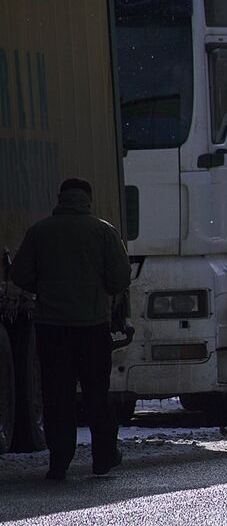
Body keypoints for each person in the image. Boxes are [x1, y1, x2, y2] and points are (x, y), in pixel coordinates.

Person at [11, 178, 132, 481]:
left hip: (52, 328)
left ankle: (59, 462)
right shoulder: (103, 231)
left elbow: (20, 274)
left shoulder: (40, 232)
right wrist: (101, 292)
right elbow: (120, 277)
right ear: (87, 200)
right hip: (92, 327)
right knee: (96, 395)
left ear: (60, 198)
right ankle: (103, 457)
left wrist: (44, 289)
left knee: (57, 396)